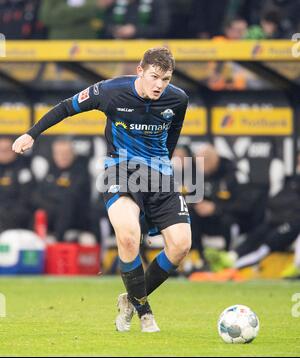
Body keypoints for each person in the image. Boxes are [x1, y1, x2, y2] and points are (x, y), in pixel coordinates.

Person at [12, 47, 191, 333]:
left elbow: (174, 133)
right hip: (120, 171)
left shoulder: (178, 99)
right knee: (129, 237)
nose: (160, 85)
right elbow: (66, 107)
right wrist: (31, 133)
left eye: (166, 79)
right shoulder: (109, 91)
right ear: (140, 71)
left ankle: (130, 297)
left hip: (159, 175)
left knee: (181, 246)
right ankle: (144, 312)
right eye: (155, 76)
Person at [31, 138, 92, 242]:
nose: (62, 157)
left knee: (66, 205)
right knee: (37, 210)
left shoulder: (80, 172)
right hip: (51, 216)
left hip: (76, 219)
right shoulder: (50, 171)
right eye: (58, 153)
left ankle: (57, 240)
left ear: (73, 154)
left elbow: (71, 196)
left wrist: (50, 197)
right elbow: (36, 196)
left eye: (66, 153)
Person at [0, 137, 35, 232]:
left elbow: (26, 198)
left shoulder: (23, 170)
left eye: (7, 150)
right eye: (1, 150)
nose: (4, 153)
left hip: (16, 211)